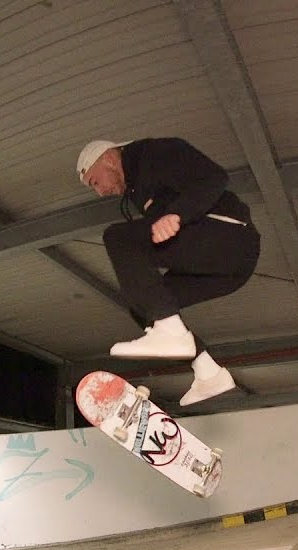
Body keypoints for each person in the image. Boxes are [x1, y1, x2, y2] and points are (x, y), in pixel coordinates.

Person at [76, 137, 261, 406]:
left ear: (108, 158)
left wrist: (177, 214)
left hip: (231, 237)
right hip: (227, 271)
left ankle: (171, 332)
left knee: (118, 238)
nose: (100, 192)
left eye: (95, 182)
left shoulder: (155, 152)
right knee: (142, 306)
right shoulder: (138, 191)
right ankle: (208, 372)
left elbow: (214, 177)